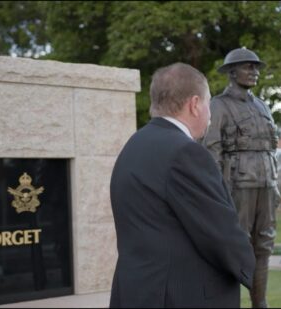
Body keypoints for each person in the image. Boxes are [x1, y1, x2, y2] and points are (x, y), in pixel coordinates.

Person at [109, 62, 255, 308]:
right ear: (195, 104)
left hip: (136, 291)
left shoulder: (133, 146)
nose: (210, 115)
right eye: (208, 104)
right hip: (179, 295)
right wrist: (247, 264)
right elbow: (220, 232)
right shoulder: (186, 153)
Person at [202, 48, 279, 308]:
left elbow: (271, 148)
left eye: (256, 67)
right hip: (237, 186)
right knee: (236, 245)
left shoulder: (262, 106)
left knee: (264, 244)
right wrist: (220, 192)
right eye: (248, 67)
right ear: (232, 72)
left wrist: (275, 184)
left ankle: (260, 303)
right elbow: (212, 151)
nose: (254, 71)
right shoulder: (218, 105)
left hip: (266, 184)